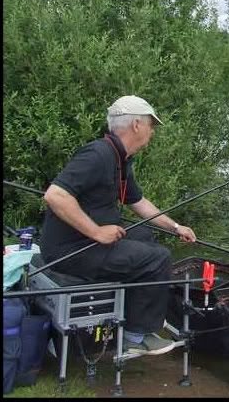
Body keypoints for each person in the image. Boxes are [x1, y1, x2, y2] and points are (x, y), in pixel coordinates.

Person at [41, 95, 196, 355]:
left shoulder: (120, 158)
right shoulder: (98, 154)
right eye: (151, 124)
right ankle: (136, 337)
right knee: (158, 259)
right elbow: (55, 195)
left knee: (145, 233)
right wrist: (97, 232)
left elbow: (137, 202)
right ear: (136, 124)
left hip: (86, 242)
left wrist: (175, 226)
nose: (153, 131)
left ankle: (136, 313)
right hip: (68, 251)